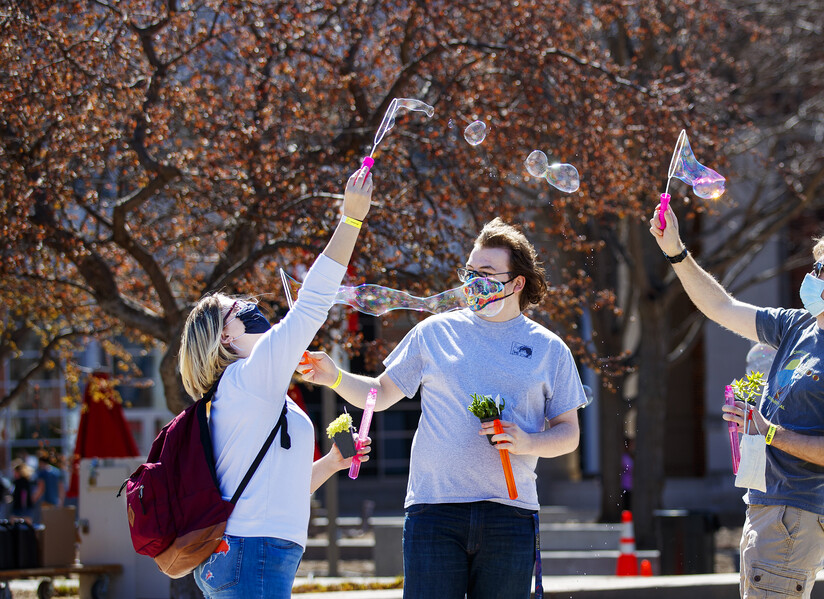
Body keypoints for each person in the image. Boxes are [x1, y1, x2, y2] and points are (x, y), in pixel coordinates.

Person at [300, 217, 587, 599]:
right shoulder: (434, 331)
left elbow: (569, 433)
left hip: (510, 514)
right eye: (468, 273)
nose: (471, 284)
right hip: (433, 510)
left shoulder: (550, 348)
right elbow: (381, 394)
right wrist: (333, 377)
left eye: (485, 275)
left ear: (517, 283)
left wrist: (528, 442)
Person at [649, 204, 824, 598]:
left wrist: (769, 431)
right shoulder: (798, 326)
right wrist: (676, 251)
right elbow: (721, 307)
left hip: (795, 517)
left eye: (822, 270)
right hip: (766, 506)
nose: (811, 276)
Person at [178, 164, 375, 599]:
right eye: (238, 307)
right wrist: (351, 219)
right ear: (226, 337)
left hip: (249, 550)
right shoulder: (250, 376)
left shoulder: (246, 390)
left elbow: (273, 490)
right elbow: (312, 305)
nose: (251, 306)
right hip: (253, 551)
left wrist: (330, 464)